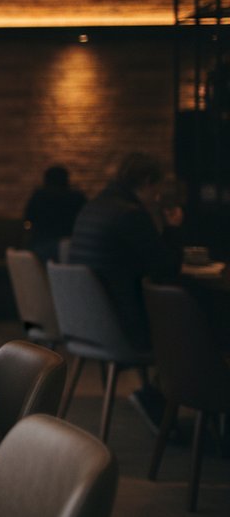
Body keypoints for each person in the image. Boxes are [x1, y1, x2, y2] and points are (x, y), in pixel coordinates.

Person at [67, 152, 183, 430]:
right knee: (197, 330)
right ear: (146, 182)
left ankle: (155, 397)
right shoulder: (129, 214)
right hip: (121, 329)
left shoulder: (94, 207)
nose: (158, 196)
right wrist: (172, 228)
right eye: (157, 188)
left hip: (86, 325)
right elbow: (167, 268)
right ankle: (159, 399)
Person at [23, 165, 87, 263]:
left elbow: (28, 218)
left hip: (40, 245)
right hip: (70, 246)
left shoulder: (38, 196)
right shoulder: (76, 197)